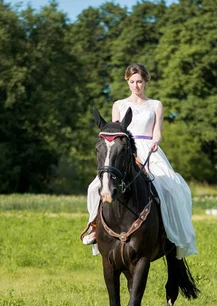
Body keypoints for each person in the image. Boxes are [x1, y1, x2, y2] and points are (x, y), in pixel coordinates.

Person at [82, 63, 197, 259]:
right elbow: (115, 133)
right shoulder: (119, 105)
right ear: (127, 81)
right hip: (124, 151)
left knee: (172, 187)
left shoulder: (155, 105)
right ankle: (94, 227)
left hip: (149, 150)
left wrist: (155, 143)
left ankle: (171, 232)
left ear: (145, 82)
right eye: (132, 82)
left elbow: (157, 132)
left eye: (140, 82)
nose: (136, 86)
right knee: (95, 187)